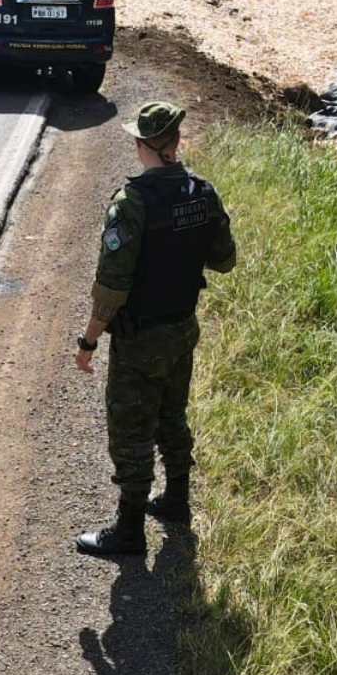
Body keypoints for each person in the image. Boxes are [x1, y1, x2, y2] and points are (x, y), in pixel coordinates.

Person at [71, 101, 236, 556]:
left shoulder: (132, 203)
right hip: (182, 329)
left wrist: (88, 340)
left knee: (131, 430)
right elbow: (224, 260)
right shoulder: (204, 193)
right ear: (176, 142)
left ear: (141, 144)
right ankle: (177, 499)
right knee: (171, 414)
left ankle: (128, 531)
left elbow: (112, 286)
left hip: (139, 338)